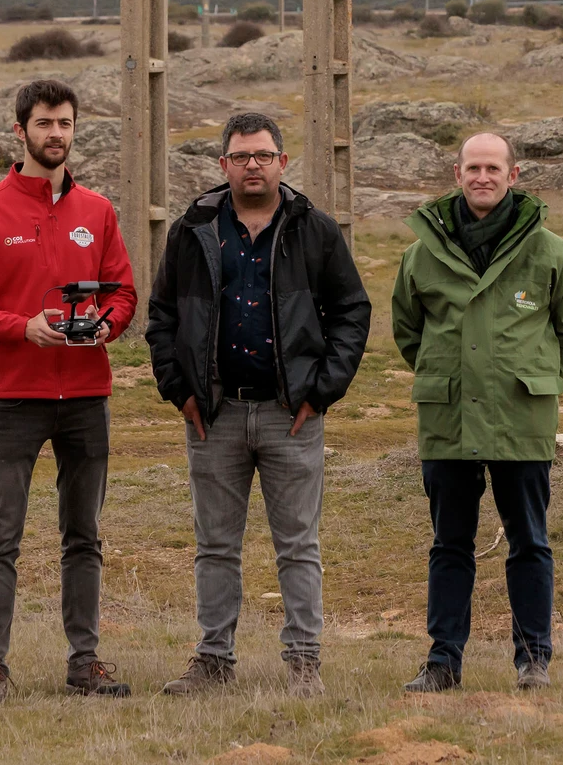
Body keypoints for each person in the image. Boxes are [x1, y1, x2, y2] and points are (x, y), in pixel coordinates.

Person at [146, 111, 371, 698]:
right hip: (214, 416)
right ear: (223, 165)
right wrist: (181, 392)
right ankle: (214, 661)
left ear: (282, 163)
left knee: (298, 545)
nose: (253, 166)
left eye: (263, 156)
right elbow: (163, 317)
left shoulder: (313, 230)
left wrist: (321, 392)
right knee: (215, 545)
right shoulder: (193, 229)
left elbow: (352, 311)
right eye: (242, 157)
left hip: (288, 414)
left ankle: (303, 664)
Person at [0, 78, 137, 706]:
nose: (56, 134)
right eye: (45, 123)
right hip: (14, 400)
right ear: (20, 130)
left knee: (84, 536)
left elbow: (123, 292)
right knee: (1, 538)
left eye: (66, 124)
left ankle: (84, 663)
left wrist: (106, 324)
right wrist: (23, 329)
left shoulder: (98, 212)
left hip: (86, 397)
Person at [391, 132, 563, 692]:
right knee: (448, 544)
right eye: (472, 168)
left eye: (493, 168)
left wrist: (532, 378)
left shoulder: (552, 252)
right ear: (457, 174)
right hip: (447, 419)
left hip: (520, 419)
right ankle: (442, 662)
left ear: (514, 175)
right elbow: (408, 332)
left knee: (530, 541)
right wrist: (445, 376)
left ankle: (533, 659)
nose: (483, 177)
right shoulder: (419, 254)